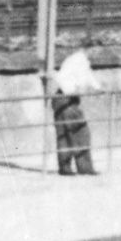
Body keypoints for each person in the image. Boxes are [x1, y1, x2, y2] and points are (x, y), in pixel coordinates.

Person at [46, 40, 98, 175]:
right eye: (96, 51)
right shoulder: (78, 60)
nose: (97, 55)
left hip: (61, 97)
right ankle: (85, 168)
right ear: (89, 49)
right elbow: (65, 78)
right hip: (66, 98)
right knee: (81, 132)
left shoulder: (80, 60)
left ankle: (65, 168)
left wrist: (98, 87)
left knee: (64, 134)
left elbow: (89, 77)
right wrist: (74, 90)